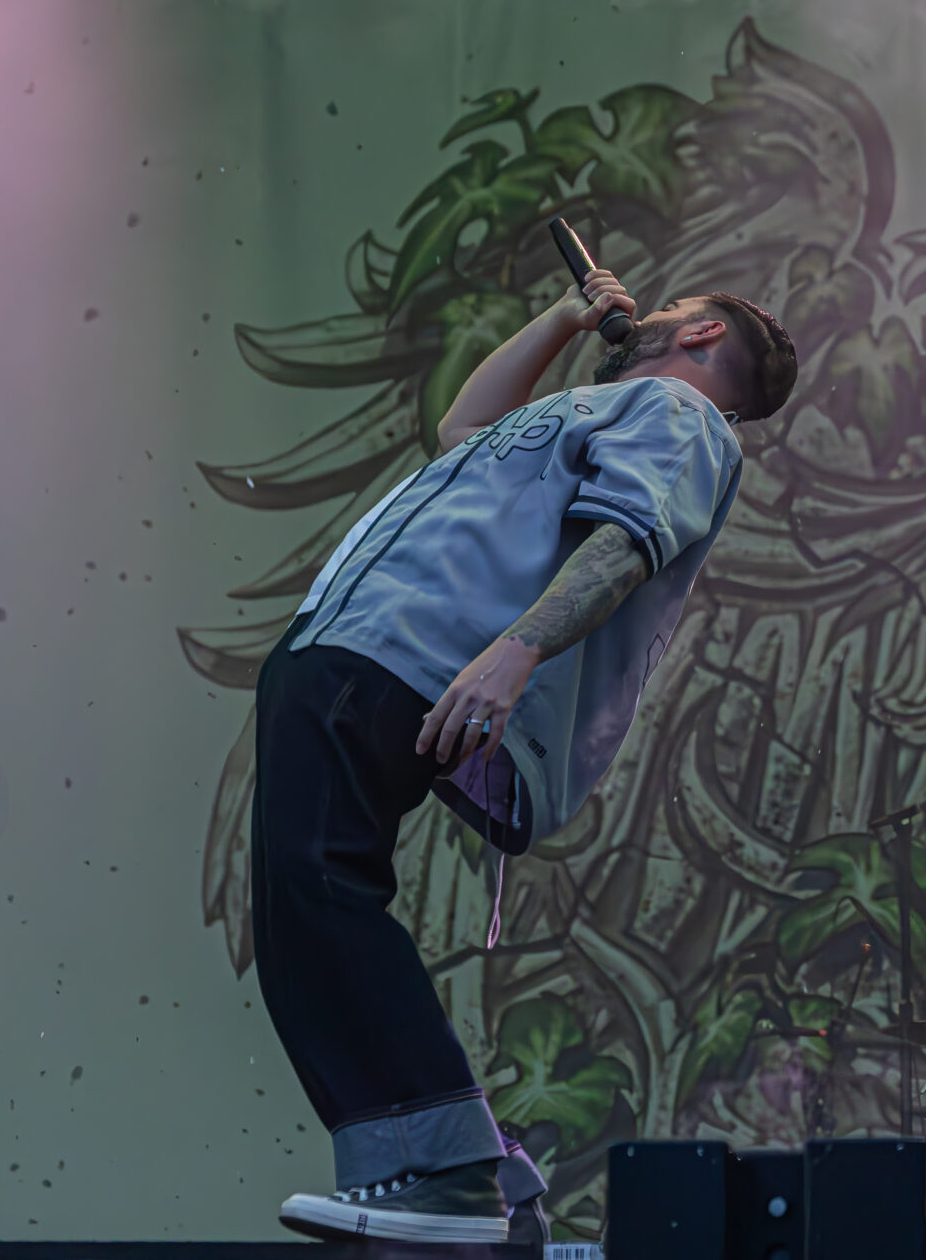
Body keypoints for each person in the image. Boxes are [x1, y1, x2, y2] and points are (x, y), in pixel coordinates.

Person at [250, 267, 796, 1243]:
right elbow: (462, 428)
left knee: (317, 887)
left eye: (672, 309)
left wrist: (515, 653)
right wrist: (560, 319)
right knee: (308, 894)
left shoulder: (680, 414)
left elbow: (626, 538)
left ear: (705, 332)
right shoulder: (586, 408)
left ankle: (446, 1171)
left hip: (403, 651)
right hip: (359, 643)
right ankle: (487, 1175)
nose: (650, 313)